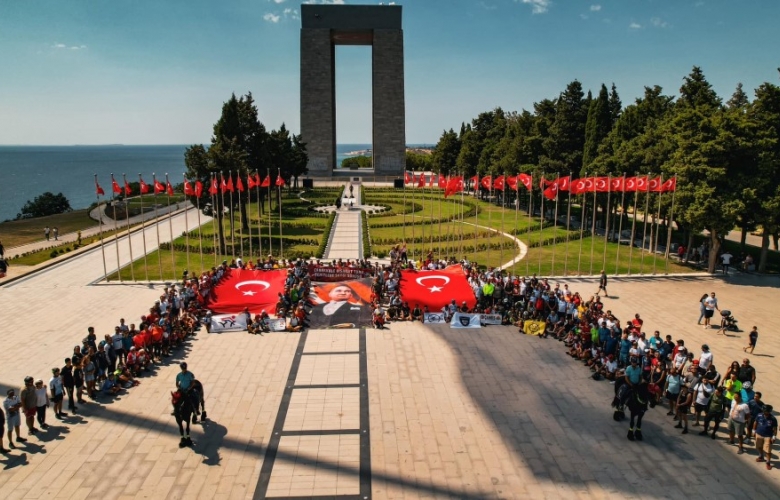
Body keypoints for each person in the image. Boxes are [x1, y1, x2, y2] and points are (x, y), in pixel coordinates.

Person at [308, 283, 373, 329]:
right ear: (330, 294)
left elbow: (362, 322)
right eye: (338, 291)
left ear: (351, 295)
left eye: (347, 291)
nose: (343, 293)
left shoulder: (359, 308)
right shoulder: (318, 307)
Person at [754, 405, 777, 470]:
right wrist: (754, 430)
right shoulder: (759, 415)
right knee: (759, 447)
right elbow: (755, 422)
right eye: (764, 410)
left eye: (766, 411)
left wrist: (774, 436)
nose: (764, 411)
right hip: (759, 434)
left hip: (768, 436)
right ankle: (761, 456)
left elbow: (775, 428)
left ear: (769, 411)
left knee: (768, 450)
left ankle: (768, 462)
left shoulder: (773, 418)